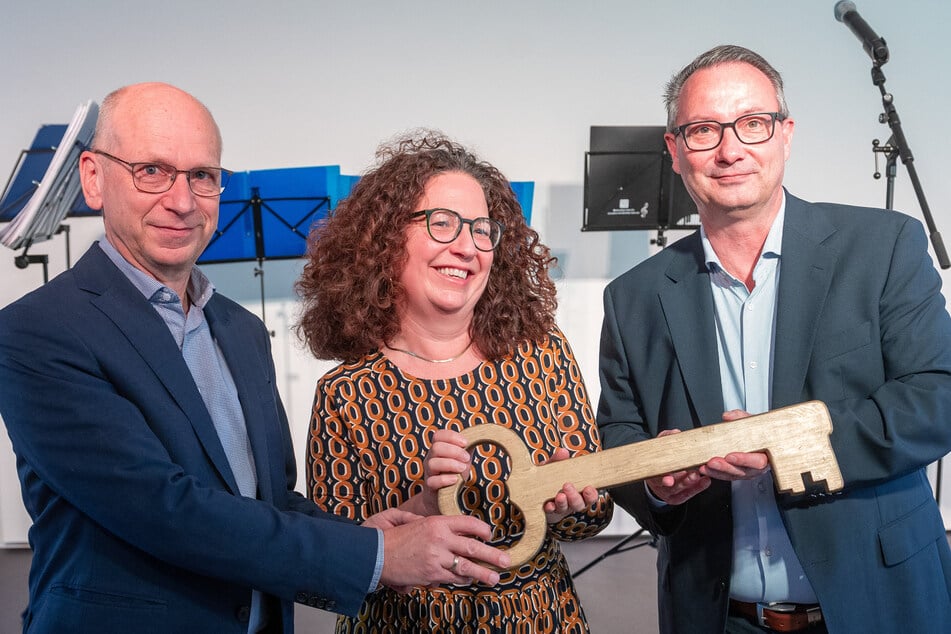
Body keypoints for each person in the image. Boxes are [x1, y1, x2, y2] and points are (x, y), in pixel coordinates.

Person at [0, 83, 511, 634]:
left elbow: (267, 499)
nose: (181, 200)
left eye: (202, 175)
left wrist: (370, 537)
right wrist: (378, 559)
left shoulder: (240, 330)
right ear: (94, 178)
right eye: (152, 171)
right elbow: (163, 510)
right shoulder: (37, 331)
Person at [596, 44, 951, 634]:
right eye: (704, 130)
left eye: (752, 125)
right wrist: (657, 483)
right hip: (715, 617)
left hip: (875, 603)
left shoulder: (883, 246)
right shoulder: (633, 296)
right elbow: (620, 432)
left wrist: (778, 446)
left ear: (785, 134)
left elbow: (937, 397)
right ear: (675, 151)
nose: (730, 150)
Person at [296, 132, 613, 633]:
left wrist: (568, 503)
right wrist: (420, 507)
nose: (466, 247)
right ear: (384, 240)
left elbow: (595, 518)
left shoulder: (541, 351)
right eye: (442, 224)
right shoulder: (345, 393)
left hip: (540, 619)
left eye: (482, 229)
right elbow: (335, 562)